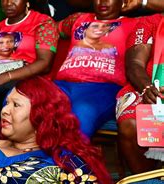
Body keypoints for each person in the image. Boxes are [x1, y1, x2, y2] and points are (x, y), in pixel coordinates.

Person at [0, 0, 59, 139]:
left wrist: (3, 78)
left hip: (28, 79)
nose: (8, 3)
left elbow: (44, 63)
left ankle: (0, 144)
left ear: (27, 2)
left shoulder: (43, 23)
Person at [54, 0, 138, 137]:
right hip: (62, 85)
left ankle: (68, 158)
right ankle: (29, 157)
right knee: (26, 102)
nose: (103, 1)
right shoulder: (78, 19)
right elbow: (50, 29)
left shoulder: (135, 24)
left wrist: (142, 3)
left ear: (123, 3)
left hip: (103, 87)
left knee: (83, 111)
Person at [115, 13, 164, 173]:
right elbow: (135, 63)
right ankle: (145, 183)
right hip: (146, 84)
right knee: (131, 124)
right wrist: (147, 87)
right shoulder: (150, 22)